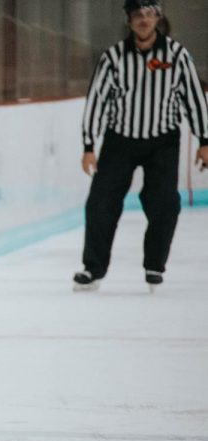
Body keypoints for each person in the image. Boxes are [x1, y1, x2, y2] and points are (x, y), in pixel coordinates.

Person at [73, 0, 208, 291]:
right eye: (137, 15)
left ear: (158, 18)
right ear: (129, 21)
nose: (143, 20)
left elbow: (194, 99)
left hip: (163, 141)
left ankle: (154, 265)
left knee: (165, 204)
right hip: (120, 140)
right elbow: (97, 100)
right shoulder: (113, 57)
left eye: (149, 15)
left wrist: (204, 140)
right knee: (100, 203)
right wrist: (88, 145)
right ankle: (93, 268)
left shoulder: (177, 55)